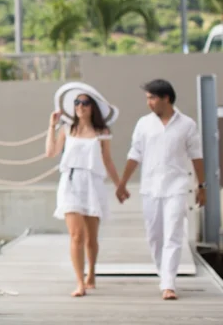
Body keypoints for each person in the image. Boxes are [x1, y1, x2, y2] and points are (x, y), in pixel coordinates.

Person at [116, 79, 206, 301]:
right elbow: (134, 154)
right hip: (150, 188)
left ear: (166, 98)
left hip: (176, 187)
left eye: (152, 98)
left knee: (173, 235)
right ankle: (163, 274)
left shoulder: (187, 124)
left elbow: (196, 157)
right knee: (155, 237)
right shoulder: (143, 124)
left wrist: (201, 186)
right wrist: (122, 183)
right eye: (147, 98)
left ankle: (169, 283)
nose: (148, 103)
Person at [46, 82, 121, 298]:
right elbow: (51, 152)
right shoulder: (67, 129)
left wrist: (120, 186)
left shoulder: (102, 132)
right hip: (70, 182)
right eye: (77, 102)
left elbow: (108, 161)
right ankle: (79, 282)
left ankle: (92, 273)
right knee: (76, 235)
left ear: (93, 107)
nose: (80, 106)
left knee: (91, 239)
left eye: (85, 102)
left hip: (93, 184)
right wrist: (52, 126)